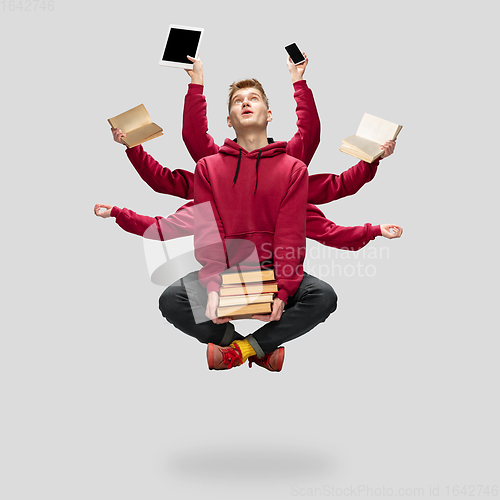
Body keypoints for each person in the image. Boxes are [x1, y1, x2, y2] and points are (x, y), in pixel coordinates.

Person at [110, 53, 398, 253]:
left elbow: (334, 183)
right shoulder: (212, 169)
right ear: (228, 120)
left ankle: (250, 344)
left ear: (270, 114)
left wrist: (298, 81)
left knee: (320, 297)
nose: (246, 103)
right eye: (238, 101)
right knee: (176, 301)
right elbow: (167, 179)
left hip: (279, 272)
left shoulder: (291, 169)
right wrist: (195, 83)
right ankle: (244, 343)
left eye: (254, 99)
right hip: (225, 274)